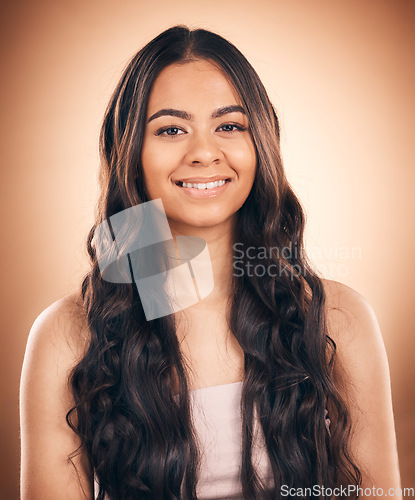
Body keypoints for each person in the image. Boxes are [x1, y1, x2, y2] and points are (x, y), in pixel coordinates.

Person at [20, 25, 402, 500]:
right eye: (171, 129)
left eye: (229, 126)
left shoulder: (339, 320)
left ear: (259, 143)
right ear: (131, 152)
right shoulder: (66, 336)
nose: (203, 152)